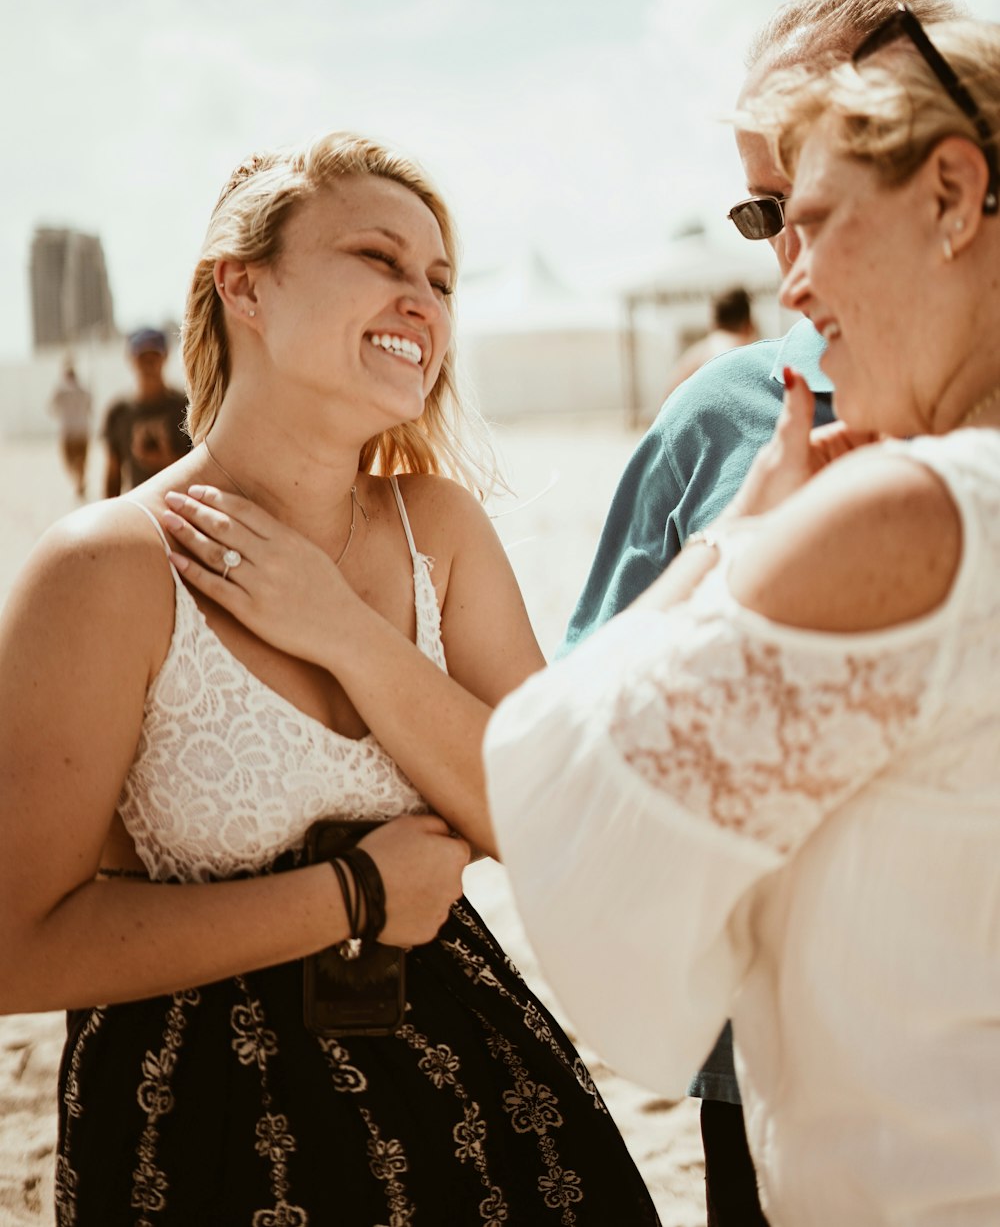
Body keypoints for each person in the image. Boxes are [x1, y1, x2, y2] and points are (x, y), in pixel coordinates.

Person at [0, 132, 658, 1225]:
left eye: (440, 280)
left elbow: (547, 817)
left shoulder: (438, 529)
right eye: (378, 258)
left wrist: (343, 632)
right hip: (201, 1123)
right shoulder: (105, 567)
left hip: (469, 1091)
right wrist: (349, 895)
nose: (422, 302)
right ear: (243, 286)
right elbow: (14, 945)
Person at [485, 9, 1000, 1226]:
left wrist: (740, 536)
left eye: (811, 219)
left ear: (951, 194)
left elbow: (562, 799)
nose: (793, 280)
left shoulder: (910, 515)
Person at [103, 326, 191, 497]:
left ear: (165, 356)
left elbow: (204, 465)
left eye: (154, 356)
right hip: (139, 505)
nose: (149, 363)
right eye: (143, 357)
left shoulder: (187, 406)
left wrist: (167, 460)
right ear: (131, 359)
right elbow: (113, 474)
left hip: (182, 504)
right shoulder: (119, 412)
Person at [661, 286, 760, 402]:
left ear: (714, 322)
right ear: (749, 324)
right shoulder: (746, 355)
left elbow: (666, 402)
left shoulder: (691, 359)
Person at [49, 357, 92, 499]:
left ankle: (78, 482)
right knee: (81, 460)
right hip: (82, 430)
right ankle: (80, 481)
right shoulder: (84, 389)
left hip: (68, 431)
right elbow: (89, 408)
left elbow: (52, 408)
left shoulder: (61, 390)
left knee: (68, 461)